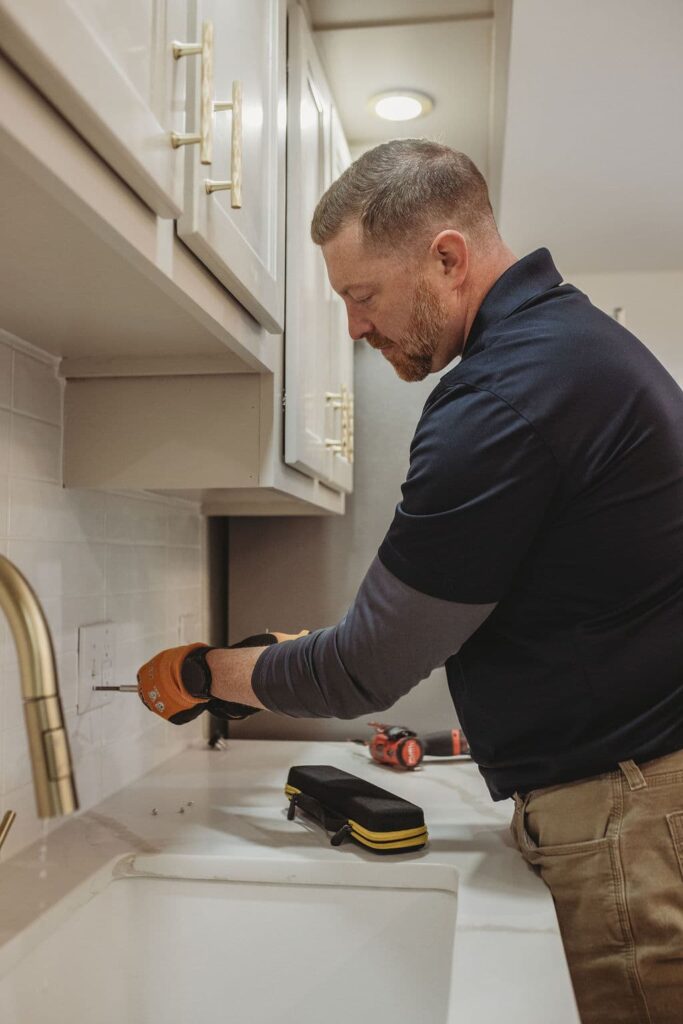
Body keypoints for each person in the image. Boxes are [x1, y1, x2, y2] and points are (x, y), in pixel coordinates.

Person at [137, 140, 683, 1023]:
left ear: (446, 258)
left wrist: (206, 673)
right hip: (637, 793)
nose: (353, 328)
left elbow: (366, 669)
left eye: (361, 296)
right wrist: (299, 655)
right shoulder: (566, 349)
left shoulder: (504, 398)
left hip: (631, 820)